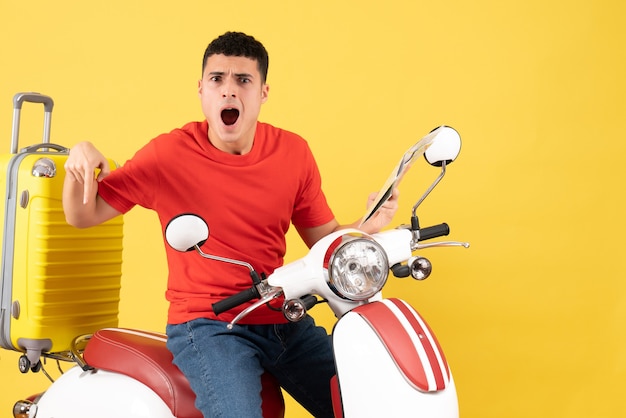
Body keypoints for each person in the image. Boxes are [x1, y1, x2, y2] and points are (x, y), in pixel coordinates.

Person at [63, 31, 399, 418]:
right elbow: (82, 215)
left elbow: (324, 242)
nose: (228, 91)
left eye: (243, 80)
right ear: (201, 89)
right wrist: (80, 156)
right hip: (207, 325)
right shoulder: (167, 155)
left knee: (367, 402)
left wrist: (370, 224)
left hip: (281, 315)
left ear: (263, 93)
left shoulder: (293, 153)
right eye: (217, 79)